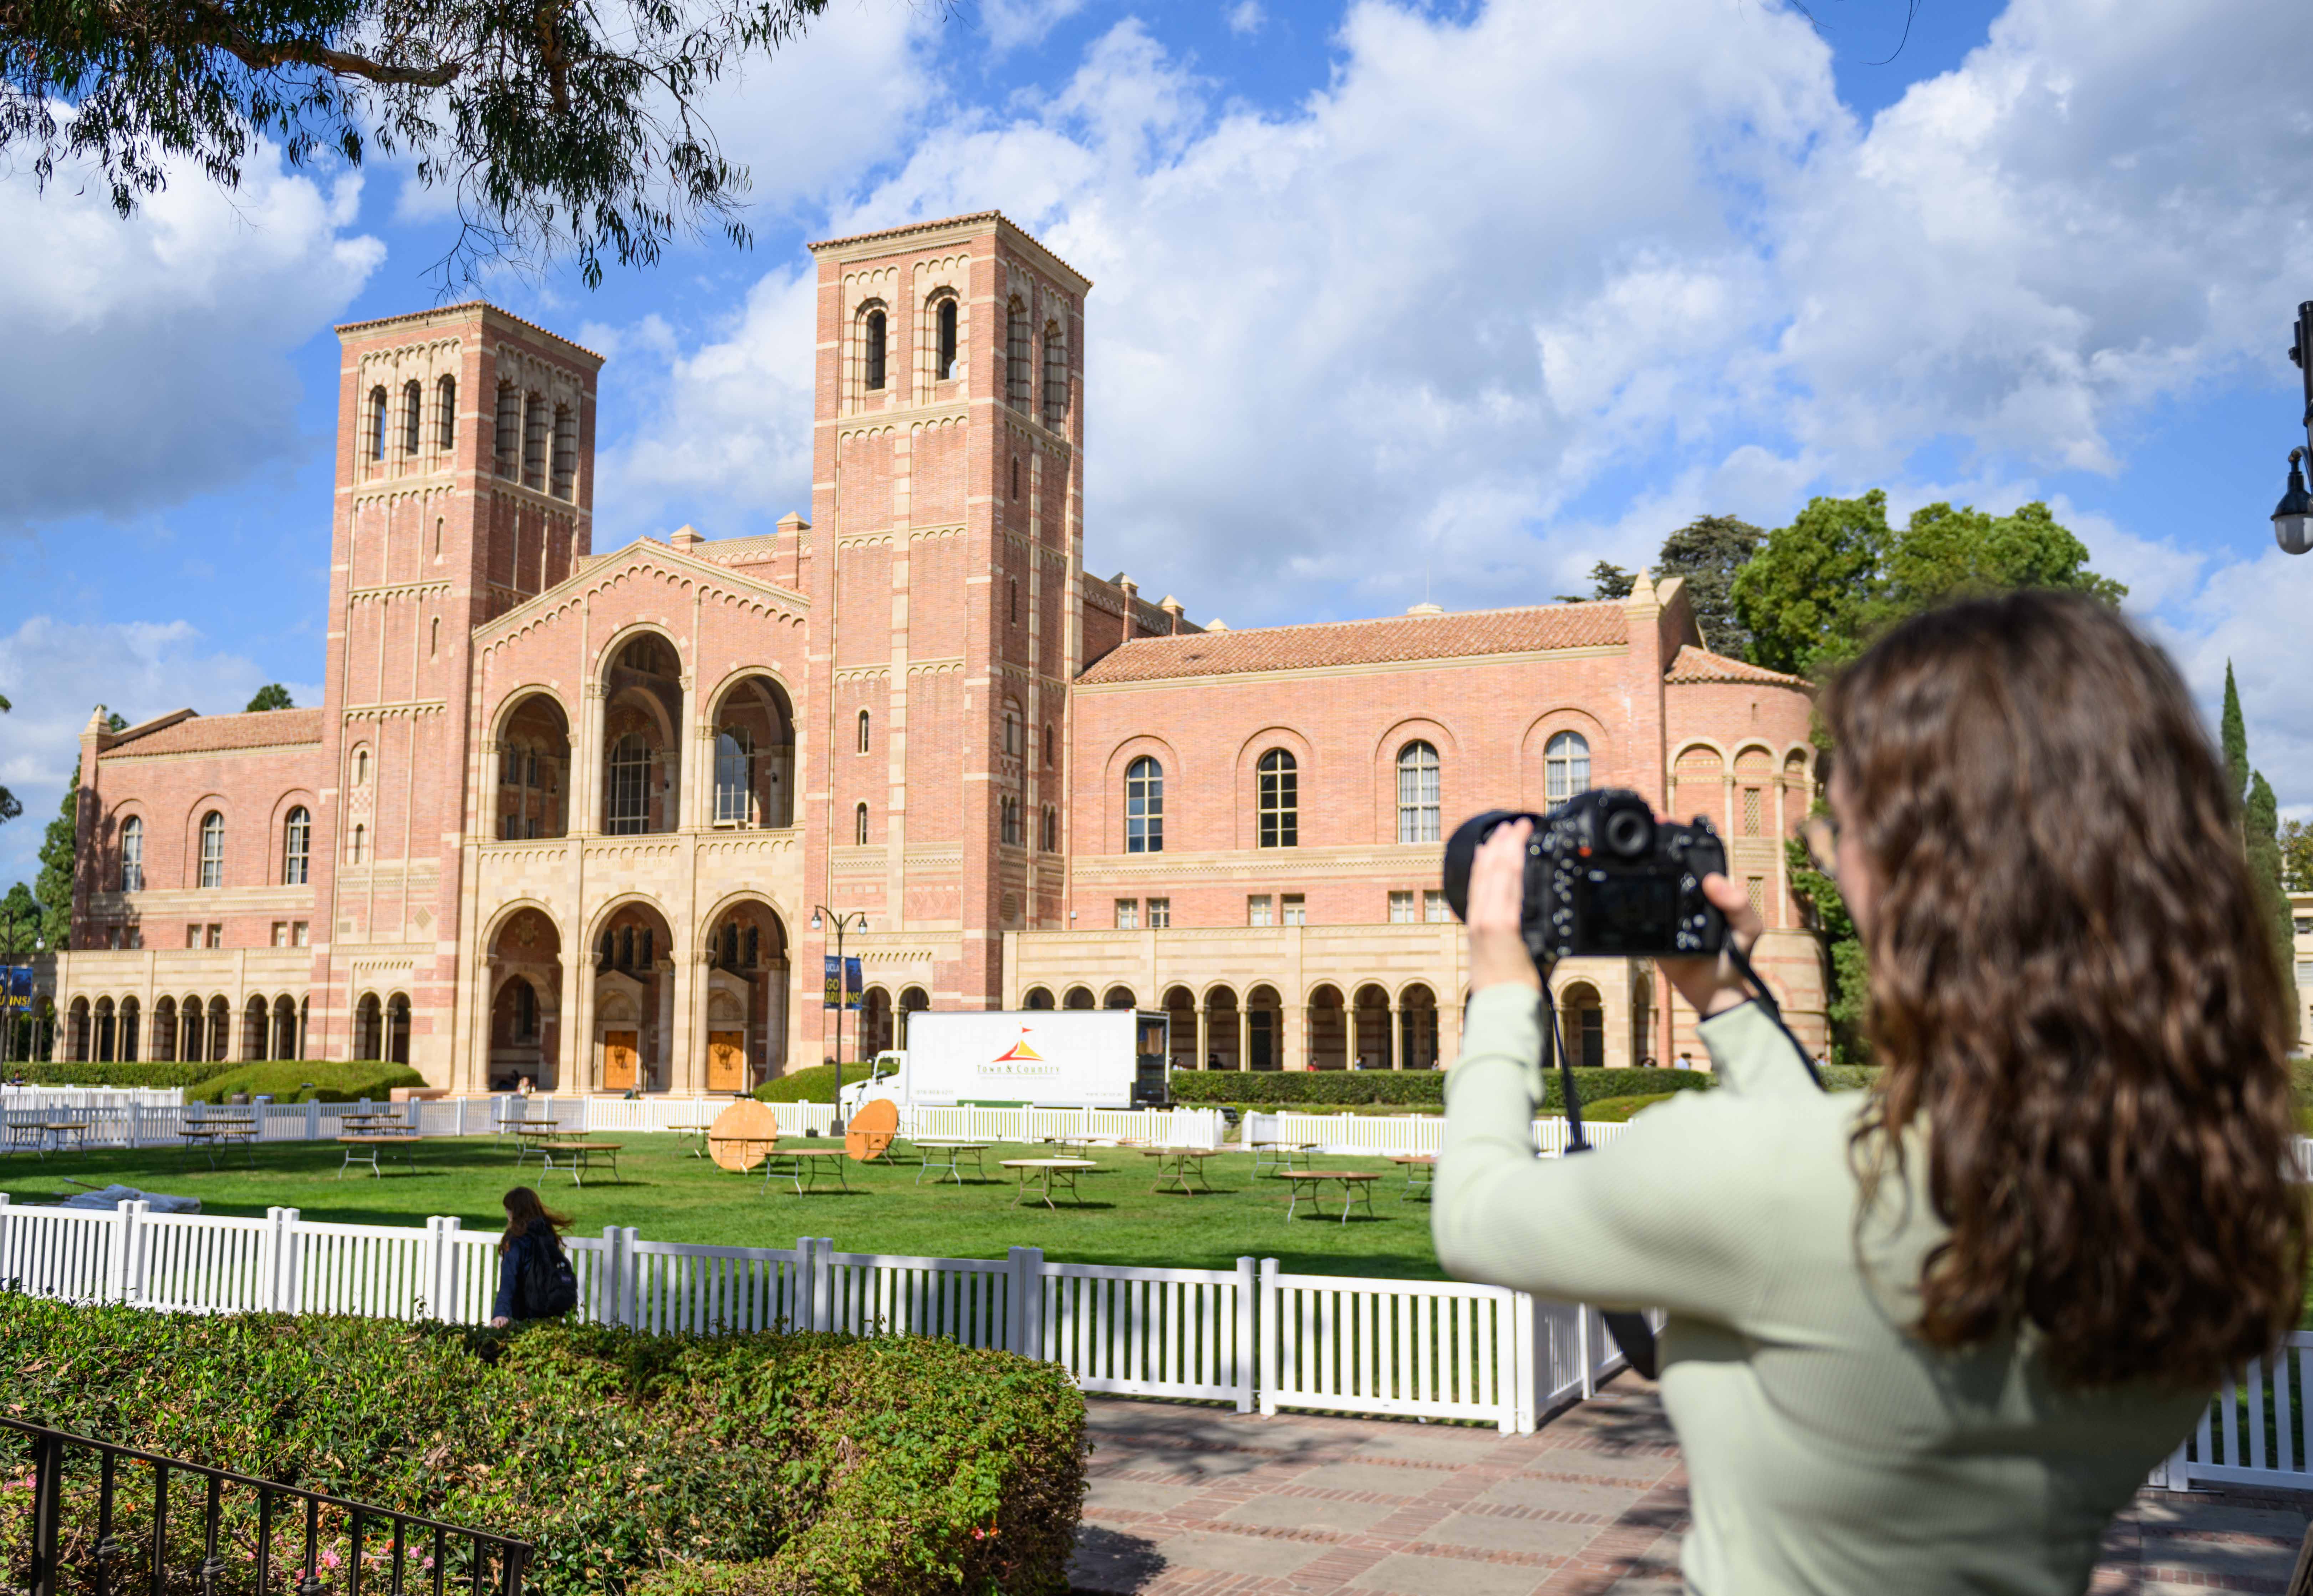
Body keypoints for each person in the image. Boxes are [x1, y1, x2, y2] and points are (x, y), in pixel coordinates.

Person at [1433, 592, 2304, 1596]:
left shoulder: (1766, 1180)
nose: (1817, 851)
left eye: (1838, 823)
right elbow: (1823, 1158)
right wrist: (1720, 994)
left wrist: (1502, 986)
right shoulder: (2193, 1200)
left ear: (1918, 873)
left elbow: (1476, 1214)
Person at [490, 1186, 575, 1328]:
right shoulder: (546, 1233)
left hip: (523, 1315)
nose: (507, 1214)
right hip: (550, 1311)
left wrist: (500, 1313)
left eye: (508, 1209)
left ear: (515, 1212)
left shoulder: (516, 1241)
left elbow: (508, 1280)